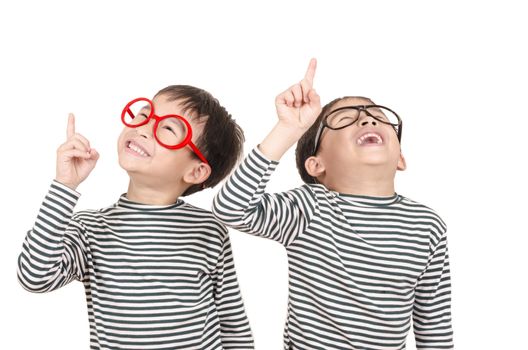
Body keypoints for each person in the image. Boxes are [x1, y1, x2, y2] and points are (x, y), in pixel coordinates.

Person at [212, 59, 453, 349]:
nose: (368, 119)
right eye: (344, 120)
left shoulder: (427, 224)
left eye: (376, 115)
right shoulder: (310, 208)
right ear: (316, 165)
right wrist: (288, 129)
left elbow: (433, 320)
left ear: (400, 157)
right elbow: (231, 208)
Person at [18, 85, 254, 349]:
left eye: (167, 129)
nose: (143, 128)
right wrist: (64, 186)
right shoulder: (90, 229)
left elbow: (233, 323)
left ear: (196, 172)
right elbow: (35, 276)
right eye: (144, 115)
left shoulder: (209, 229)